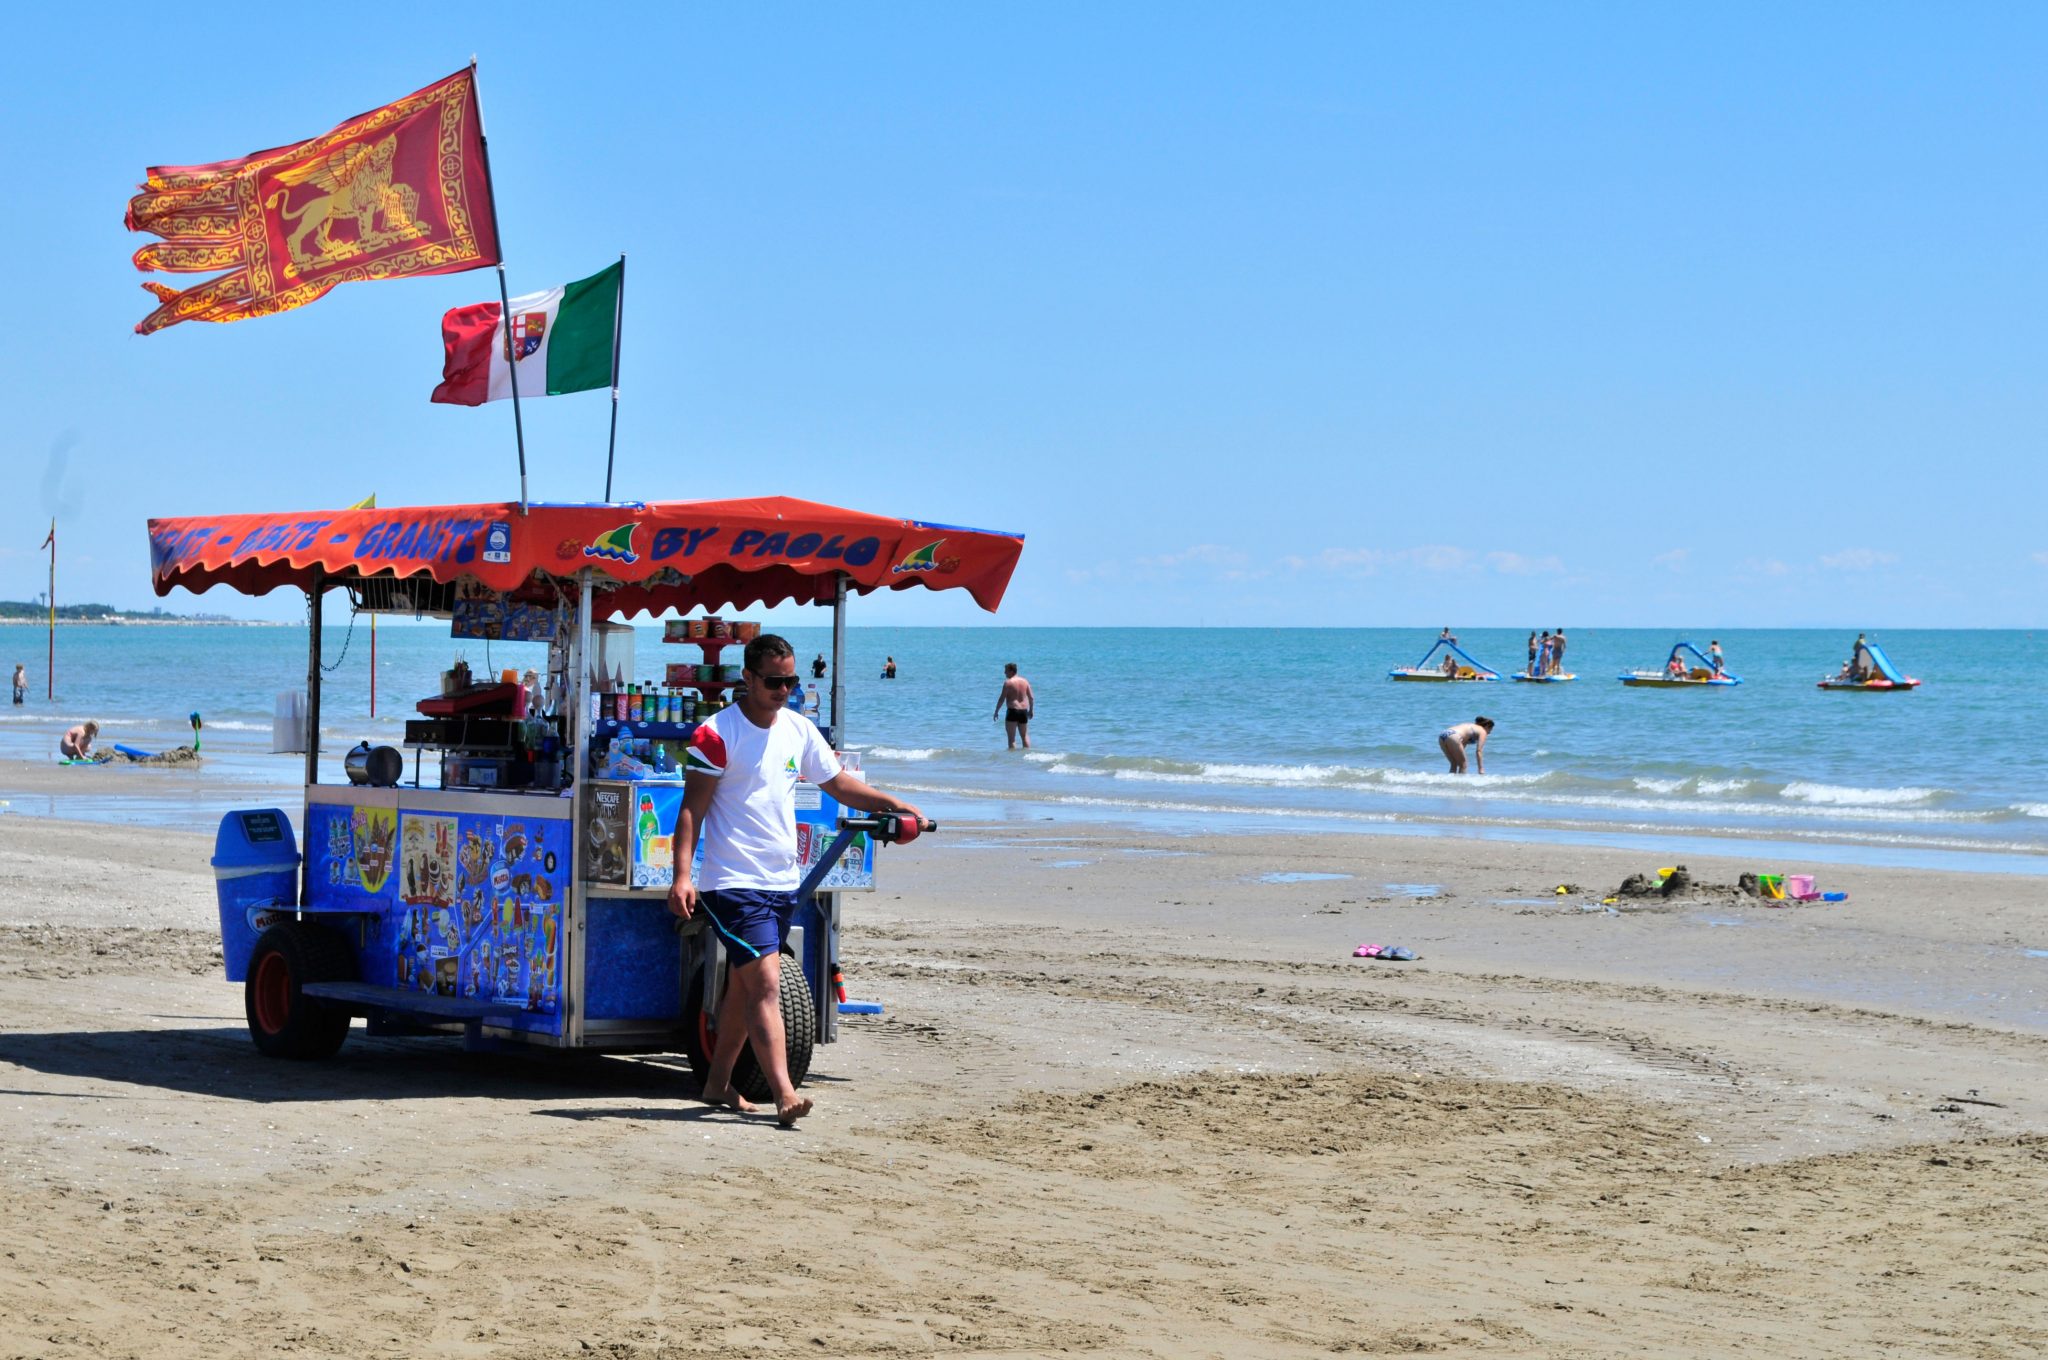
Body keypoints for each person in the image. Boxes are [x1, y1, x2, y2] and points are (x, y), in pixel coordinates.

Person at [667, 634, 922, 1127]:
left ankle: (718, 1084)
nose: (783, 690)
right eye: (773, 681)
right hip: (731, 881)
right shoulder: (716, 734)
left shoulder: (799, 730)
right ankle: (785, 1093)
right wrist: (683, 876)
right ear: (748, 678)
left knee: (744, 987)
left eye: (791, 680)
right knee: (765, 983)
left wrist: (893, 804)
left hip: (782, 880)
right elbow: (691, 811)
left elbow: (838, 784)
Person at [994, 662, 1035, 750]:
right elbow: (1031, 697)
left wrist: (996, 711)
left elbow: (1002, 699)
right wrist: (1031, 710)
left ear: (1012, 671)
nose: (1004, 673)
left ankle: (1012, 761)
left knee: (1011, 739)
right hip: (1024, 711)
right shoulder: (1025, 681)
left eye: (1006, 671)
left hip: (1012, 711)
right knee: (1024, 736)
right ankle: (1028, 756)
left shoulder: (1008, 683)